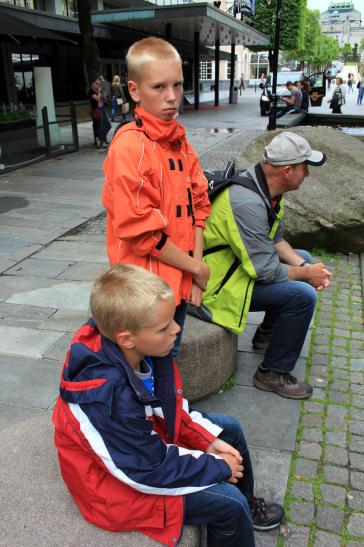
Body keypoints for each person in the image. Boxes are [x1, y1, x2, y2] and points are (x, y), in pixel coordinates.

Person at [52, 264, 284, 547]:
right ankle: (238, 513)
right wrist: (217, 467)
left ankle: (247, 510)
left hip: (136, 446)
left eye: (173, 318)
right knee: (228, 503)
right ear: (127, 338)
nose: (176, 329)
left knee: (228, 430)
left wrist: (205, 440)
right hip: (113, 488)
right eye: (164, 327)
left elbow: (169, 406)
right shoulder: (109, 398)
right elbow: (145, 470)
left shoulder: (144, 346)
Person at [199, 132, 332, 400]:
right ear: (287, 170)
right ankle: (271, 372)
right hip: (215, 285)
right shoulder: (247, 201)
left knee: (301, 255)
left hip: (234, 268)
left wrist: (306, 265)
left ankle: (267, 334)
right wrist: (307, 275)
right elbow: (266, 271)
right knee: (302, 296)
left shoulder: (263, 188)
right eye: (304, 168)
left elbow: (275, 239)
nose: (307, 174)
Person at [102, 37, 211, 356]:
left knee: (167, 360)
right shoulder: (130, 146)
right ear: (134, 90)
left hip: (176, 285)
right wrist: (195, 269)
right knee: (138, 372)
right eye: (159, 87)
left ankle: (169, 405)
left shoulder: (181, 142)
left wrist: (194, 274)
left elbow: (199, 209)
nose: (172, 97)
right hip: (141, 293)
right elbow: (143, 233)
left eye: (177, 85)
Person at [88, 78, 111, 148]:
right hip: (96, 110)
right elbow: (97, 99)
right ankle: (100, 140)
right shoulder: (91, 91)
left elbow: (102, 99)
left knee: (108, 125)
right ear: (93, 83)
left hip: (102, 109)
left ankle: (100, 139)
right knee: (99, 127)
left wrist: (103, 94)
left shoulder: (98, 91)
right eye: (97, 83)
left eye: (99, 84)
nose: (98, 85)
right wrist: (99, 92)